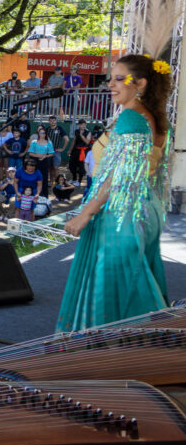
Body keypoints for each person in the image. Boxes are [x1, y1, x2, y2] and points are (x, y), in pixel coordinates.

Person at [57, 54, 171, 331]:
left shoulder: (132, 119)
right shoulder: (146, 116)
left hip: (123, 213)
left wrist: (85, 213)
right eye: (111, 78)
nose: (111, 84)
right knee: (131, 281)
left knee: (117, 289)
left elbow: (120, 176)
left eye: (120, 78)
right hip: (139, 208)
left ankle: (125, 353)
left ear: (141, 83)